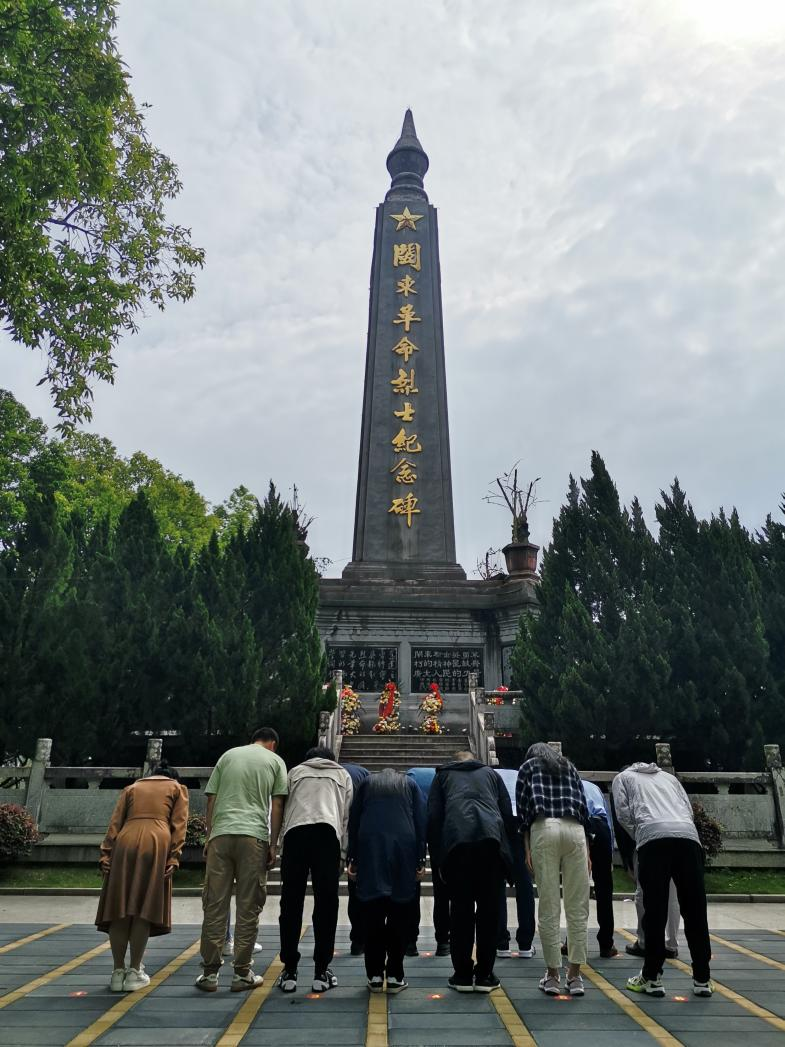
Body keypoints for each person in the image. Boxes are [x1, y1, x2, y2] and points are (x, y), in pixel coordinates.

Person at [196, 727, 288, 993]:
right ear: (273, 744)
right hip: (253, 837)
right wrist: (273, 844)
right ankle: (242, 973)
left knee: (215, 904)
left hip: (221, 836)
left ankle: (210, 974)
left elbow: (211, 799)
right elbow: (277, 804)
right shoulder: (275, 761)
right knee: (248, 906)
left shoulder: (228, 756)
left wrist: (209, 837)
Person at [612, 762, 713, 998]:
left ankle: (651, 977)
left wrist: (641, 836)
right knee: (695, 910)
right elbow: (687, 808)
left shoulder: (622, 778)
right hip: (688, 837)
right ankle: (702, 978)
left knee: (655, 910)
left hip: (653, 837)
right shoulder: (669, 778)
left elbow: (623, 814)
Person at [96, 760, 188, 992]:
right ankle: (135, 971)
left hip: (125, 840)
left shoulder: (132, 788)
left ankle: (117, 972)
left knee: (118, 908)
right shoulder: (177, 788)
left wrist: (106, 854)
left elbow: (115, 823)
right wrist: (174, 857)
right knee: (143, 910)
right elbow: (179, 826)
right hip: (156, 842)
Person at [428, 751, 514, 993]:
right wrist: (508, 856)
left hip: (457, 845)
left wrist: (438, 859)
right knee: (489, 912)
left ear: (453, 761)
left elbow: (434, 817)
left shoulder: (443, 776)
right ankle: (485, 974)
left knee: (460, 911)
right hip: (491, 844)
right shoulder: (491, 774)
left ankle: (462, 974)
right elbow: (506, 813)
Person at [276, 746, 353, 994]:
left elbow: (281, 808)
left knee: (290, 903)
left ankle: (289, 970)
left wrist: (278, 844)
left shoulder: (294, 773)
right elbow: (346, 817)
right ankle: (321, 970)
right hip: (328, 835)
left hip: (296, 834)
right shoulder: (342, 774)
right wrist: (344, 854)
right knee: (326, 905)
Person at [517, 743, 590, 997]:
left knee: (549, 906)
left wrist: (527, 848)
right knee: (578, 906)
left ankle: (552, 976)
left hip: (544, 828)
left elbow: (524, 812)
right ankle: (575, 976)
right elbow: (583, 808)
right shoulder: (569, 767)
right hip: (575, 832)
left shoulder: (528, 768)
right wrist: (588, 850)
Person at [348, 768, 426, 994]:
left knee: (372, 915)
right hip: (404, 850)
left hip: (370, 850)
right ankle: (395, 975)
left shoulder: (366, 784)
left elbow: (354, 821)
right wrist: (421, 858)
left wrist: (353, 857)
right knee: (400, 914)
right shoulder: (410, 785)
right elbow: (421, 821)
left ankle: (374, 975)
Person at [610, 795, 680, 961]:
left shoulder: (623, 787)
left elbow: (621, 821)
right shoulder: (665, 787)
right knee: (672, 894)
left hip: (646, 838)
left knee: (643, 892)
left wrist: (627, 861)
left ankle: (644, 942)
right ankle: (671, 944)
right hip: (677, 834)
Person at [405, 766, 450, 958]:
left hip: (413, 824)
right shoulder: (445, 778)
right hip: (440, 826)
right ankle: (443, 942)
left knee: (412, 886)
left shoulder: (410, 777)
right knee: (442, 889)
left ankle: (410, 942)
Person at [494, 767, 536, 960]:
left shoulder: (491, 775)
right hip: (520, 822)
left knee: (497, 885)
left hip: (499, 822)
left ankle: (501, 943)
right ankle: (525, 944)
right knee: (524, 885)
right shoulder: (522, 773)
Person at [342, 761, 370, 955]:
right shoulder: (365, 780)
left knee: (354, 893)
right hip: (364, 841)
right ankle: (364, 938)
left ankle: (357, 940)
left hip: (344, 838)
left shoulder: (338, 776)